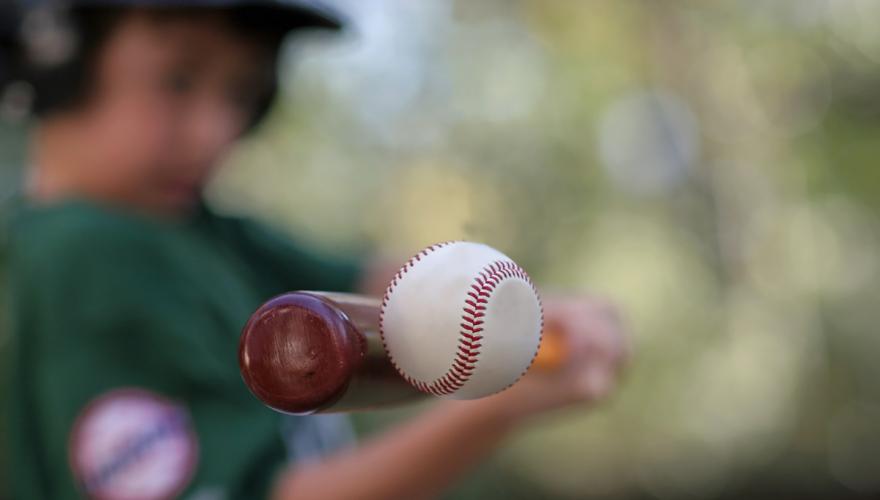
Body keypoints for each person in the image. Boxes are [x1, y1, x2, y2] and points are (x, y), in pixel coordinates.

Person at [0, 1, 627, 499]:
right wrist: (497, 408)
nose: (216, 131)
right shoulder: (83, 255)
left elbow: (392, 290)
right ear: (55, 59)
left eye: (242, 93)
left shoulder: (201, 231)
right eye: (178, 79)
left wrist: (534, 314)